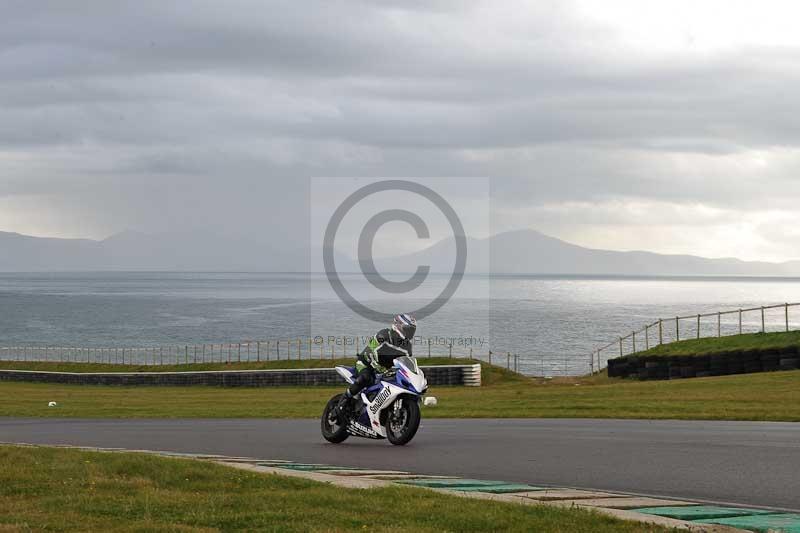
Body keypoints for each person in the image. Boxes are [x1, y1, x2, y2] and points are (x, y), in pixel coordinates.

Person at [336, 313, 416, 415]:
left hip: (386, 371)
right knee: (365, 378)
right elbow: (371, 350)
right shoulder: (384, 334)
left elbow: (406, 361)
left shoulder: (407, 346)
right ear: (398, 326)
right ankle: (343, 402)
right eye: (408, 329)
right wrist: (379, 368)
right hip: (366, 363)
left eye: (412, 331)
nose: (410, 333)